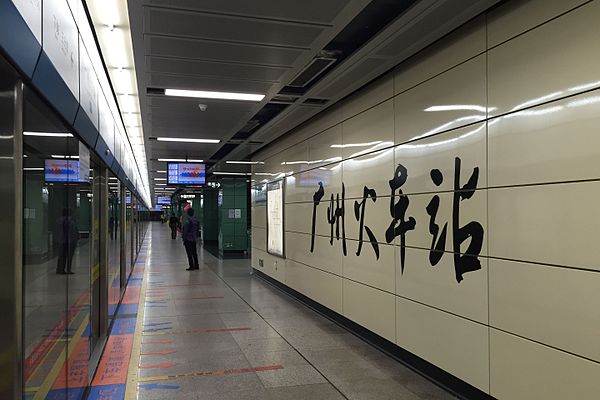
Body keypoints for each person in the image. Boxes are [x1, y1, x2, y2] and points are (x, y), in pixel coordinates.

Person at [55, 208, 79, 275]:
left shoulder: (58, 221)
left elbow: (56, 231)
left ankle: (60, 269)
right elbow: (74, 232)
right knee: (69, 256)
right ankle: (68, 269)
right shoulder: (71, 222)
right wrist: (76, 239)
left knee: (61, 256)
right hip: (70, 241)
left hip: (61, 241)